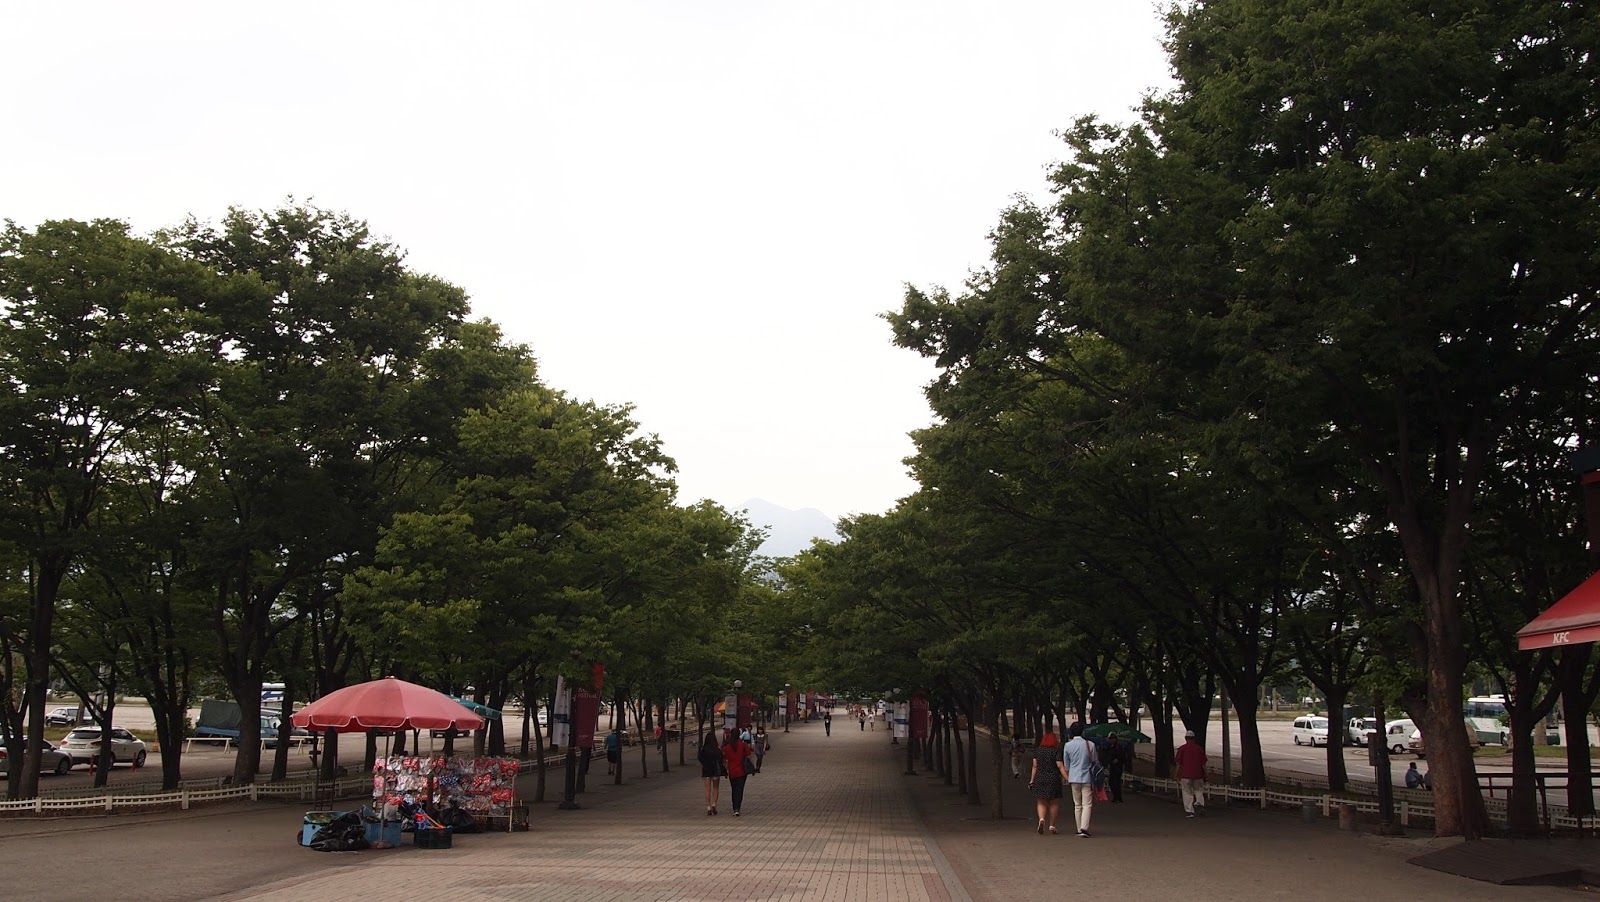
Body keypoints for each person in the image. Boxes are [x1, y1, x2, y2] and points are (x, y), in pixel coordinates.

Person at [1028, 731, 1069, 834]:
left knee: (1041, 801)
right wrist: (1067, 778)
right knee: (1054, 802)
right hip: (1053, 778)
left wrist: (1032, 780)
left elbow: (1035, 766)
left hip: (1040, 778)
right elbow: (1060, 766)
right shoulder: (1056, 751)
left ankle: (1042, 819)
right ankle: (1052, 825)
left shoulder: (1037, 751)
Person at [1062, 722, 1098, 837]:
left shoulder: (1068, 746)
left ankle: (1078, 828)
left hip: (1074, 777)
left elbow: (1066, 765)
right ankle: (1084, 827)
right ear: (1083, 731)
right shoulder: (1090, 745)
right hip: (1087, 777)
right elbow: (1095, 760)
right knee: (1087, 804)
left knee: (1077, 804)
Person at [720, 728, 756, 816]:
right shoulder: (743, 745)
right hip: (742, 771)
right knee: (740, 790)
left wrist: (725, 769)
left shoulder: (727, 747)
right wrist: (753, 766)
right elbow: (749, 756)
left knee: (734, 789)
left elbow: (724, 759)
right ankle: (737, 808)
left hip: (732, 771)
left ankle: (734, 807)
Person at [1174, 728, 1208, 817]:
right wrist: (1206, 774)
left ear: (1186, 738)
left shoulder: (1182, 749)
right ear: (1194, 738)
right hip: (1198, 775)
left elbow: (1178, 764)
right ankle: (1199, 803)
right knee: (1198, 790)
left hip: (1185, 775)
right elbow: (1203, 764)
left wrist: (1176, 775)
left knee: (1187, 793)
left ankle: (1190, 811)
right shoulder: (1199, 749)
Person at [697, 729, 723, 815]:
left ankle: (708, 806)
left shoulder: (703, 749)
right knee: (715, 788)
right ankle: (714, 804)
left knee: (707, 788)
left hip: (706, 770)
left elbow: (700, 758)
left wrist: (704, 763)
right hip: (715, 770)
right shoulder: (717, 749)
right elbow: (721, 758)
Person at [1104, 732, 1130, 802]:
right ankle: (1116, 796)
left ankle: (1118, 797)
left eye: (1112, 739)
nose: (1111, 740)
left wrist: (1118, 760)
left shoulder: (1118, 747)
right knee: (1111, 781)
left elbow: (1123, 756)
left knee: (1116, 782)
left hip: (1118, 766)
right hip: (1112, 766)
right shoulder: (1110, 747)